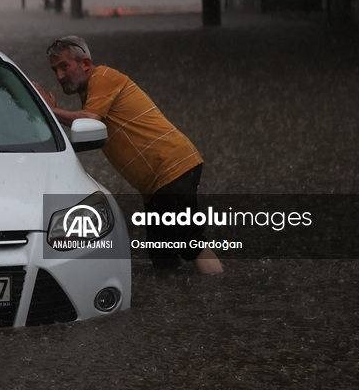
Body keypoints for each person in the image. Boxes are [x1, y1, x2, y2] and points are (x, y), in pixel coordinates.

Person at [34, 36, 223, 274]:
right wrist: (53, 114)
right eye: (55, 70)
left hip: (172, 168)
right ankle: (181, 302)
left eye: (64, 66)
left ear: (85, 63)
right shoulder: (91, 95)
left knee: (190, 243)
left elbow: (89, 120)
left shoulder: (102, 77)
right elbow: (86, 123)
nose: (60, 76)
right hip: (156, 182)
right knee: (161, 253)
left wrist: (51, 111)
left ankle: (218, 295)